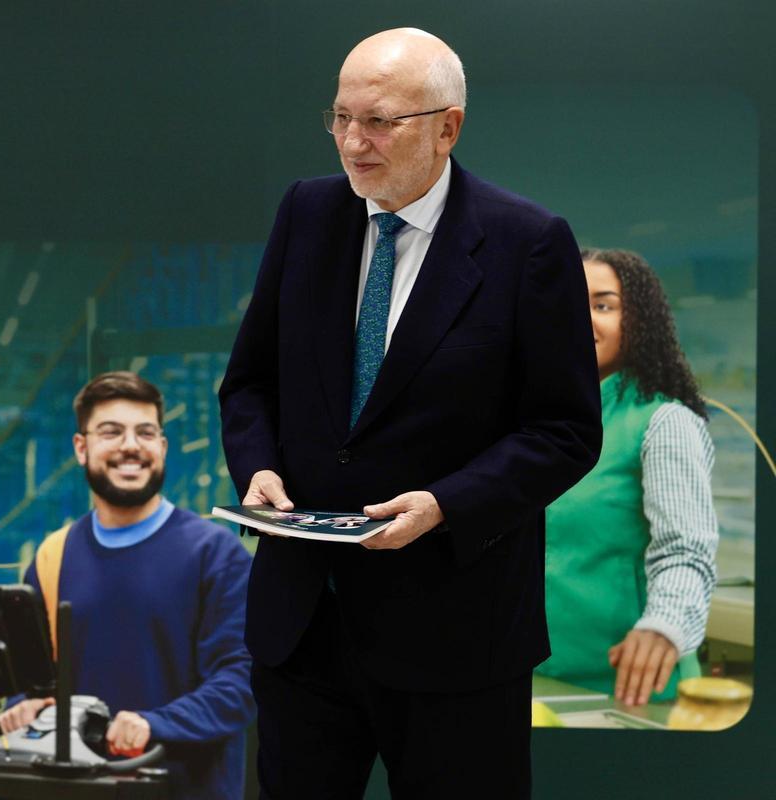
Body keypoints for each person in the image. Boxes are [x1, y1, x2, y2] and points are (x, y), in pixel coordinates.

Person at [218, 29, 602, 799]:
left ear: (447, 126)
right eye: (340, 118)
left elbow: (564, 431)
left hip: (456, 638)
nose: (354, 144)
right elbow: (249, 383)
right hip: (304, 625)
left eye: (380, 121)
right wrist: (257, 466)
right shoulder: (307, 213)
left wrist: (444, 505)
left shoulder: (528, 244)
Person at [0, 371, 254, 800]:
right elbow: (26, 679)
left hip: (179, 789)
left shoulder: (215, 554)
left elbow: (241, 679)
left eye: (146, 432)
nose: (130, 446)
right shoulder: (51, 557)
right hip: (75, 789)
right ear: (82, 448)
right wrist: (21, 707)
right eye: (111, 432)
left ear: (163, 446)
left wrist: (156, 723)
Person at [537, 248, 718, 706]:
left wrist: (665, 626)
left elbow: (686, 549)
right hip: (535, 682)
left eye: (603, 305)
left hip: (627, 692)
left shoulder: (663, 422)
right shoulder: (531, 422)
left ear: (639, 321)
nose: (582, 319)